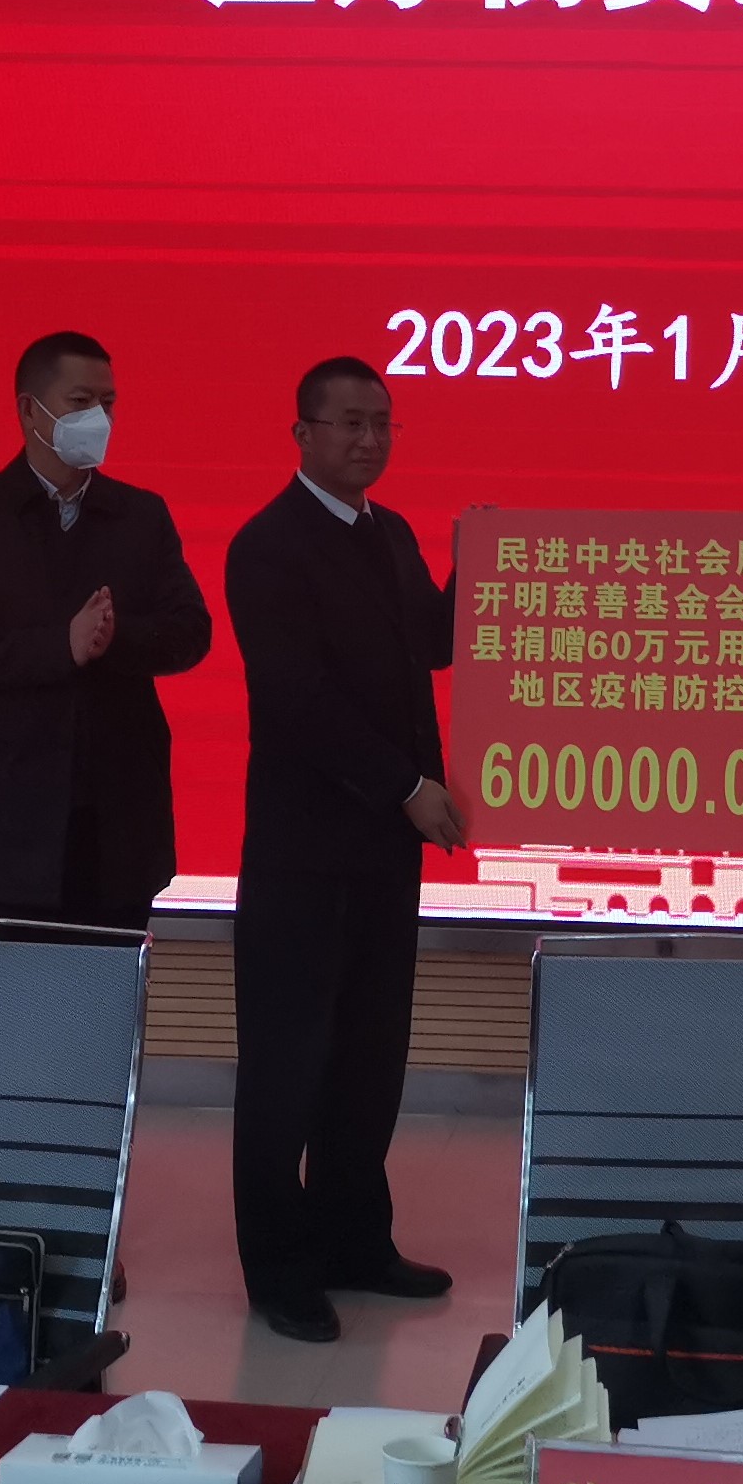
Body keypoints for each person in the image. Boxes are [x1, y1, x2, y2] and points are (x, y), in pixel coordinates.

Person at [223, 355, 467, 1343]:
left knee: (370, 1056)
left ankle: (355, 1240)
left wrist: (480, 564)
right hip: (303, 851)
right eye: (351, 422)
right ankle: (279, 1270)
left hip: (383, 851)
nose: (370, 439)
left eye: (383, 422)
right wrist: (409, 787)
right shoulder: (267, 545)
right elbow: (300, 701)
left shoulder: (391, 532)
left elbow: (432, 644)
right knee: (287, 1067)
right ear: (304, 433)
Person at [0, 330, 212, 934]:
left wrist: (113, 638)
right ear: (30, 410)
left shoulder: (140, 515)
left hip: (116, 824)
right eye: (80, 402)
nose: (98, 417)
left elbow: (190, 632)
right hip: (1, 821)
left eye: (108, 402)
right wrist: (61, 646)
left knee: (106, 990)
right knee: (3, 992)